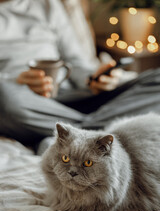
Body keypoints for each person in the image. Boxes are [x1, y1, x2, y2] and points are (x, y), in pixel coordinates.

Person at [0, 0, 160, 154]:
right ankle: (87, 132)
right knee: (3, 96)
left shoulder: (48, 4)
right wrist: (15, 82)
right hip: (21, 103)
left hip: (70, 98)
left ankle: (65, 135)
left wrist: (93, 78)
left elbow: (76, 62)